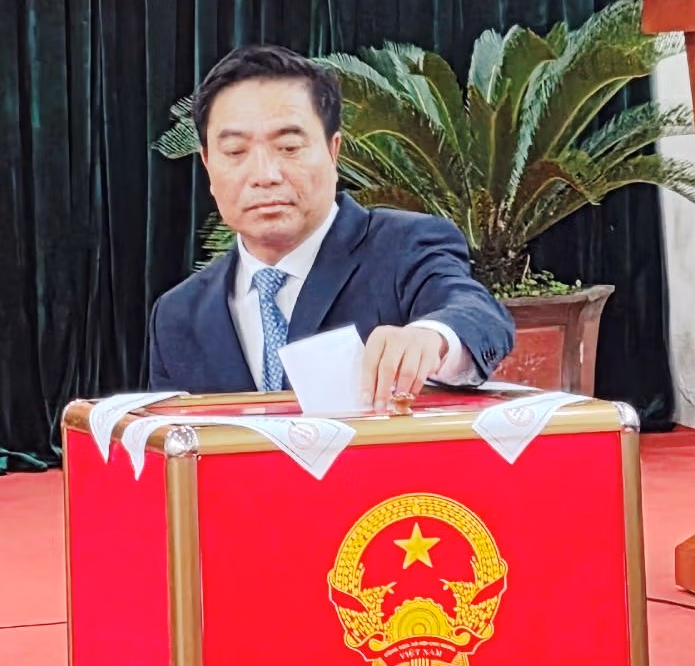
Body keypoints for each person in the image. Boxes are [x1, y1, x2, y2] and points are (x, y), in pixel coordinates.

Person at [147, 44, 514, 403]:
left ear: (332, 151)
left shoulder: (405, 248)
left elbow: (474, 311)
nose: (265, 175)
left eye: (289, 147)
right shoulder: (178, 314)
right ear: (208, 165)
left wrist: (431, 337)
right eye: (235, 152)